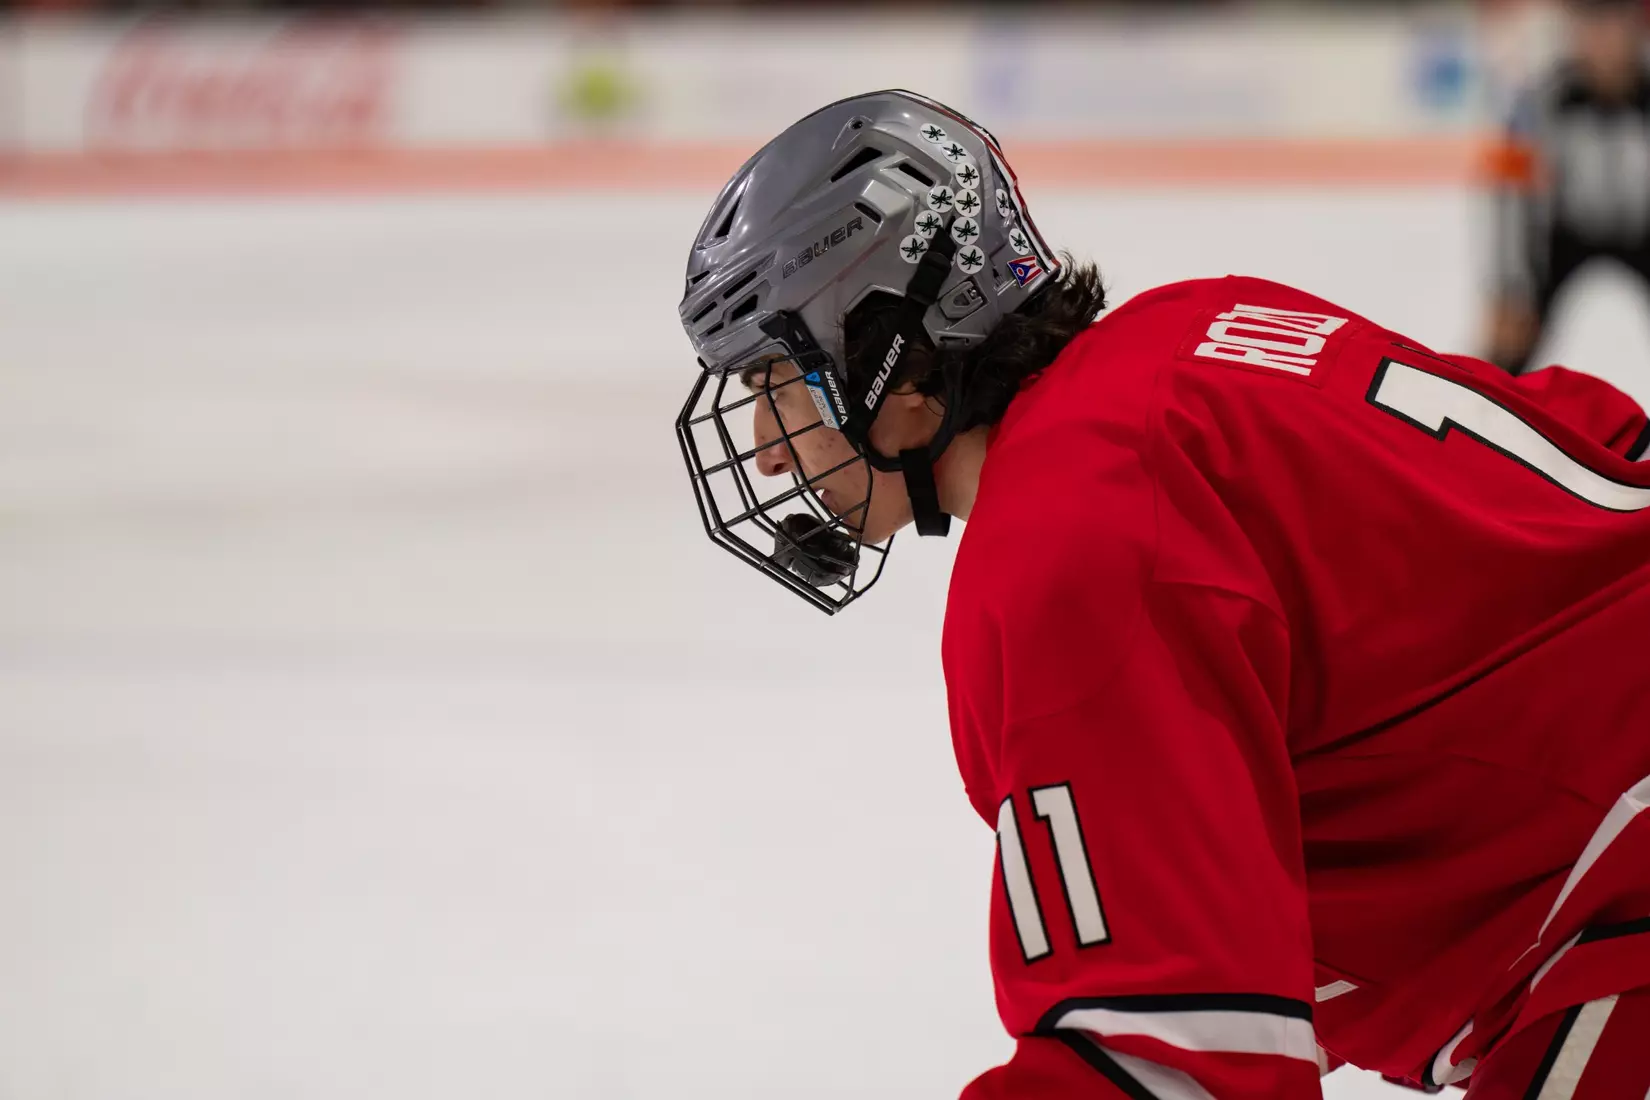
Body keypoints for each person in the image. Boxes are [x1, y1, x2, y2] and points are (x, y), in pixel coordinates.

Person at [675, 90, 1650, 1099]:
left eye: (777, 383)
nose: (765, 446)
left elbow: (1178, 1062)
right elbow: (1588, 441)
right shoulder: (1190, 328)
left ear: (896, 362)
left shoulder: (1073, 542)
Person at [1487, 0, 1650, 375]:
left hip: (1644, 233)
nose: (1602, 43)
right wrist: (1509, 287)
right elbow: (1509, 195)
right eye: (1590, 29)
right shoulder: (1544, 98)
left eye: (1613, 28)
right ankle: (1476, 423)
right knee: (1507, 349)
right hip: (1563, 237)